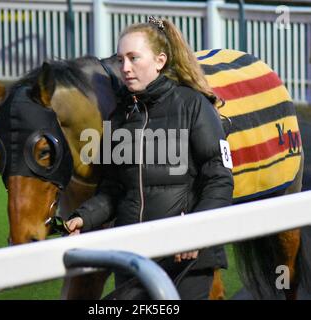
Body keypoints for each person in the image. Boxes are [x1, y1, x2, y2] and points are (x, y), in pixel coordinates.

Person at [65, 16, 234, 300]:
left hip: (185, 260)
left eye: (133, 58)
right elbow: (113, 189)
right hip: (132, 257)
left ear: (160, 61)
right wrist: (85, 217)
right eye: (121, 60)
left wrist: (197, 230)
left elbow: (219, 179)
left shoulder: (193, 105)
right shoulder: (119, 117)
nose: (125, 68)